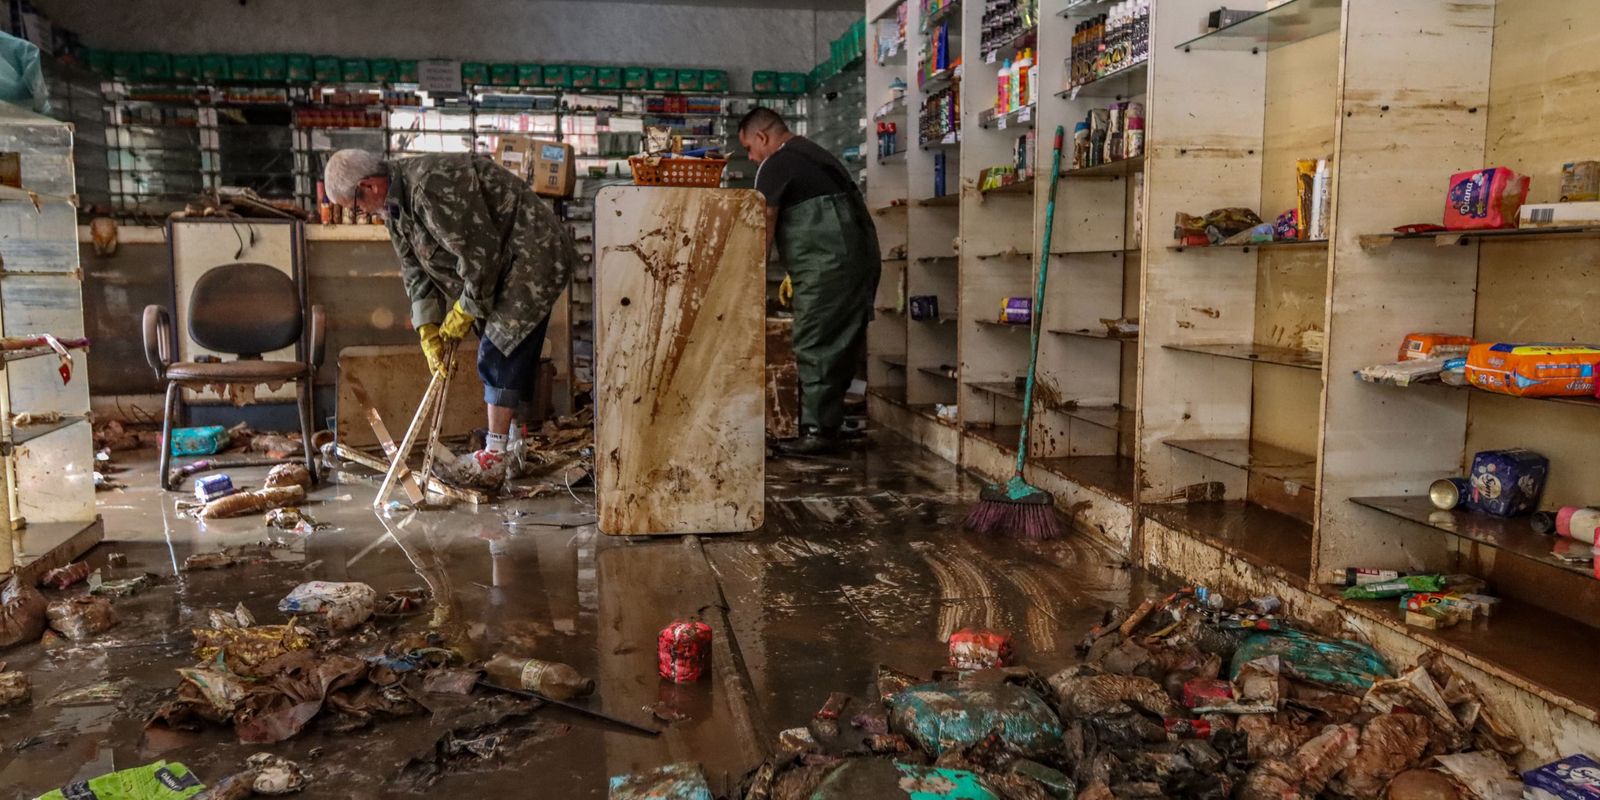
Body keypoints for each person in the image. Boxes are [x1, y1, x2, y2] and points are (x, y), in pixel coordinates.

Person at [323, 149, 576, 484]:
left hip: (531, 253)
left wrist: (464, 310)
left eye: (354, 206)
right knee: (497, 341)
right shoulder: (394, 206)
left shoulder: (429, 185)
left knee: (500, 345)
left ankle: (495, 455)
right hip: (499, 265)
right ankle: (512, 444)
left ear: (369, 186)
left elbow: (480, 255)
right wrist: (427, 328)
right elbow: (414, 269)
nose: (359, 213)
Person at [739, 107, 880, 455]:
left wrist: (748, 281)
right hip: (858, 260)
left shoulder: (775, 164)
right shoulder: (814, 154)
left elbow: (764, 227)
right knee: (841, 341)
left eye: (748, 148)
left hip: (827, 265)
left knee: (815, 341)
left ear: (762, 137)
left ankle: (817, 431)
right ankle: (828, 425)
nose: (751, 157)